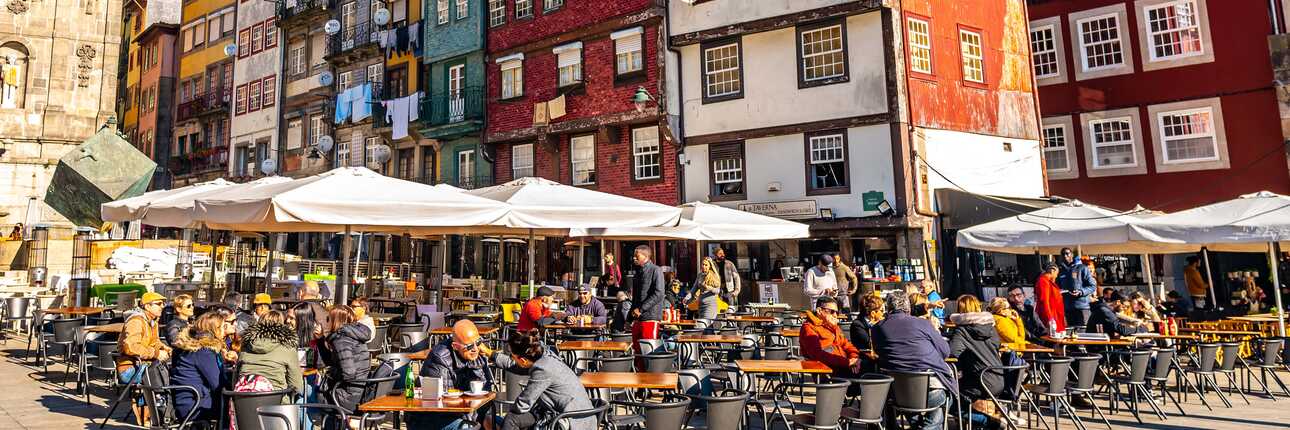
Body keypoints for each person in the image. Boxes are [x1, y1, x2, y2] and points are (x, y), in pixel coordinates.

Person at [873, 293, 956, 430]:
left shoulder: (877, 328)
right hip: (931, 390)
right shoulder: (922, 323)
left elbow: (878, 352)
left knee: (928, 413)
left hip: (898, 391)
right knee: (940, 406)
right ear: (908, 308)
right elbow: (945, 351)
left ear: (888, 307)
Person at [494, 329, 595, 430]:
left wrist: (510, 410)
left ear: (523, 360)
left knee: (511, 419)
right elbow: (515, 365)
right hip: (579, 414)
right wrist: (492, 355)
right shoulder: (545, 355)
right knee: (518, 418)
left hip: (574, 422)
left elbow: (523, 404)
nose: (511, 358)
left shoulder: (542, 369)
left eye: (512, 356)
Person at [414, 320, 496, 430]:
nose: (475, 349)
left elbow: (486, 392)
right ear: (455, 346)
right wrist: (475, 421)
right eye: (469, 346)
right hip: (435, 418)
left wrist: (487, 416)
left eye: (478, 342)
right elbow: (446, 404)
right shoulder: (440, 358)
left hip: (468, 414)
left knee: (503, 424)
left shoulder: (477, 354)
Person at [947, 295, 1005, 423]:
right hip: (999, 379)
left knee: (947, 398)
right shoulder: (991, 327)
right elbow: (997, 345)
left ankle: (987, 422)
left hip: (979, 382)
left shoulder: (962, 331)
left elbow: (951, 353)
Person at [117, 292, 172, 424]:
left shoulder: (152, 321)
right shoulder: (136, 321)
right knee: (162, 375)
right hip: (129, 369)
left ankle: (159, 413)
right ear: (147, 306)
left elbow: (154, 342)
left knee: (168, 371)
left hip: (144, 365)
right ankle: (153, 415)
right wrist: (156, 354)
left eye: (163, 304)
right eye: (158, 304)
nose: (162, 306)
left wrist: (165, 348)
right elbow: (130, 346)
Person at [170, 312, 232, 423]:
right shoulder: (204, 352)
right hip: (196, 406)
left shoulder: (192, 347)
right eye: (223, 327)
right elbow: (218, 385)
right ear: (215, 330)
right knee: (236, 410)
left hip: (186, 401)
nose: (225, 331)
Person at [237, 310, 304, 399]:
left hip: (243, 403)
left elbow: (236, 377)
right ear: (281, 325)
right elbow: (297, 386)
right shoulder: (288, 347)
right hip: (276, 405)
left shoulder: (246, 345)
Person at [318, 306, 372, 413]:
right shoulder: (354, 335)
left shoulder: (341, 340)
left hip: (346, 397)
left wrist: (330, 374)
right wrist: (321, 339)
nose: (326, 322)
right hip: (360, 391)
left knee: (308, 394)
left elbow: (349, 373)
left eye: (328, 319)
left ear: (335, 321)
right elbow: (332, 361)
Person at [800, 296, 862, 379]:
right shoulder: (809, 328)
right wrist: (847, 362)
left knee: (871, 364)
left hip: (843, 366)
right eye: (832, 312)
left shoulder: (833, 326)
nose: (835, 315)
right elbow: (817, 355)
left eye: (837, 312)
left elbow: (847, 345)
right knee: (869, 372)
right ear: (819, 311)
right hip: (828, 371)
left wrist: (854, 358)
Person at [630, 245, 666, 354]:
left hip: (650, 316)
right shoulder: (638, 272)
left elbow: (659, 293)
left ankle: (649, 372)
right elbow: (635, 297)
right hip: (637, 317)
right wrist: (629, 318)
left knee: (648, 351)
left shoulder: (656, 270)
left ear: (645, 256)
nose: (634, 258)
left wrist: (641, 309)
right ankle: (639, 370)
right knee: (637, 351)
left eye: (637, 256)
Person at [1057, 248, 1097, 328]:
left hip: (1082, 307)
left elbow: (1092, 285)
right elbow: (1058, 287)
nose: (1065, 256)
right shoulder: (1060, 271)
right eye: (1063, 254)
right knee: (1072, 334)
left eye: (1067, 253)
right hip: (1068, 307)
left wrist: (1081, 291)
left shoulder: (1082, 268)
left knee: (1084, 333)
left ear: (1072, 255)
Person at [1033, 264, 1067, 336]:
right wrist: (1050, 318)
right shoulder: (1043, 281)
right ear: (1052, 271)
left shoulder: (1047, 281)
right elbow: (1044, 301)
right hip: (1051, 315)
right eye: (1056, 273)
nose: (1056, 276)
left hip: (1054, 314)